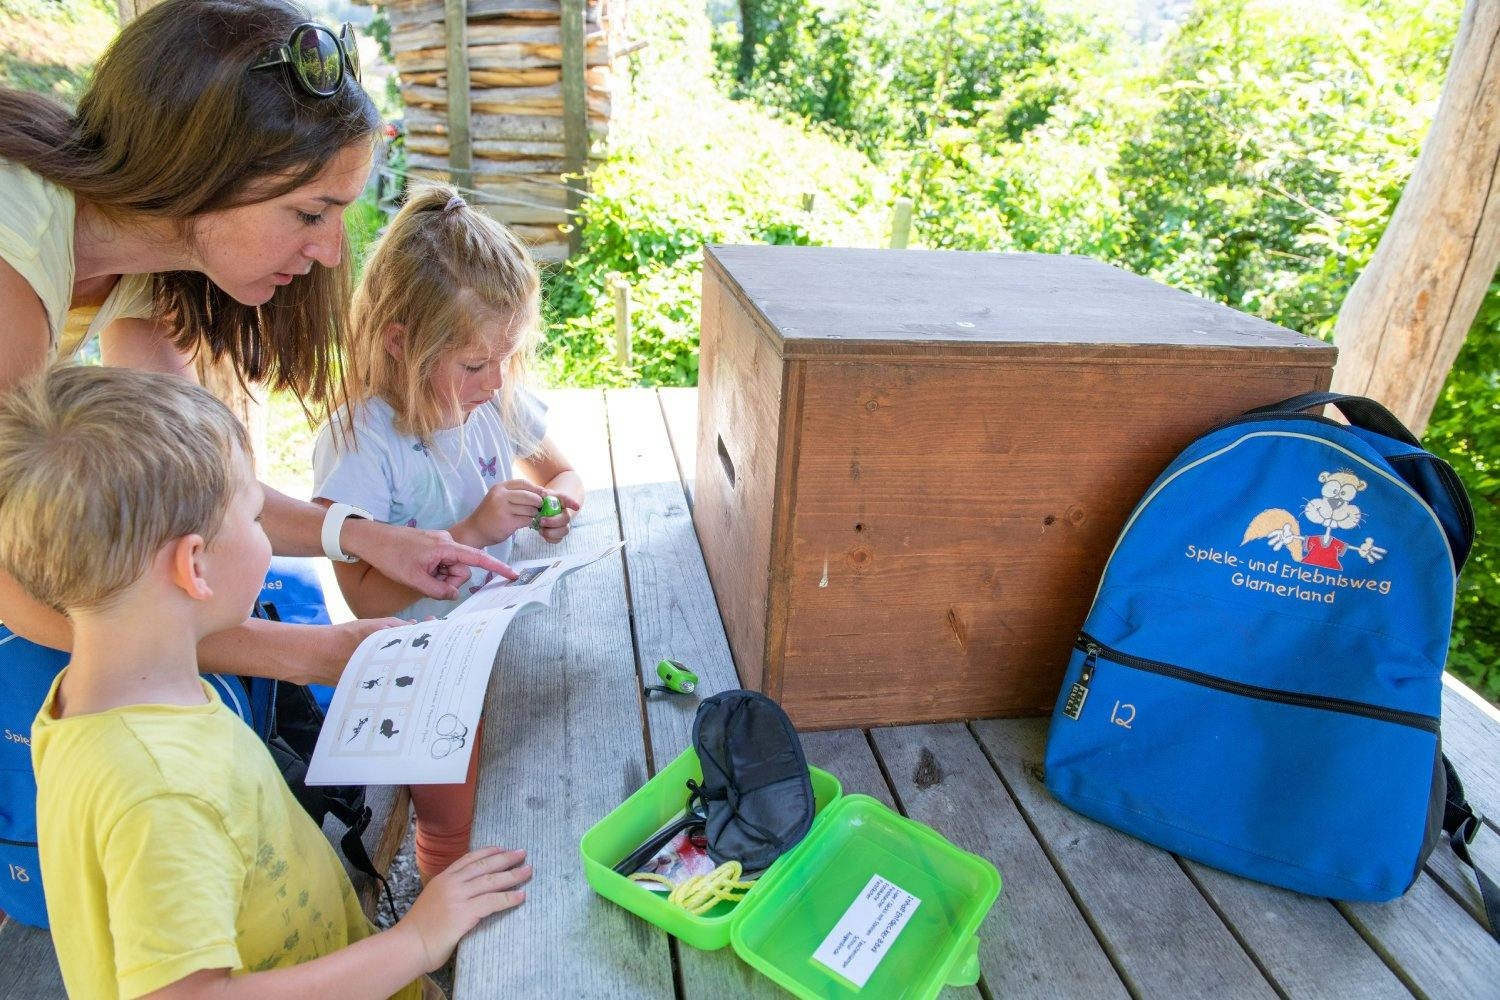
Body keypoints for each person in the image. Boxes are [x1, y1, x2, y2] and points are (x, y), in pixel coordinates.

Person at [0, 0, 514, 685]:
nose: (333, 252)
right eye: (310, 213)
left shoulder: (140, 267)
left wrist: (364, 537)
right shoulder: (15, 256)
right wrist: (307, 654)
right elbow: (15, 585)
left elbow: (197, 483)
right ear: (199, 174)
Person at [0, 364, 532, 999]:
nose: (266, 536)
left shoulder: (102, 698)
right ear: (193, 566)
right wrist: (415, 940)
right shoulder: (159, 790)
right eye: (255, 518)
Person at [312, 183, 582, 881]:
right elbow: (363, 598)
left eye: (506, 358)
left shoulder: (490, 397)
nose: (495, 381)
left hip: (498, 629)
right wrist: (469, 529)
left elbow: (564, 474)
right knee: (450, 803)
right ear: (402, 342)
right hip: (416, 662)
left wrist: (557, 506)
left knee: (546, 757)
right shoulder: (359, 443)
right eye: (475, 365)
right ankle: (442, 896)